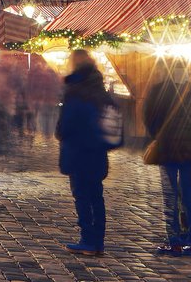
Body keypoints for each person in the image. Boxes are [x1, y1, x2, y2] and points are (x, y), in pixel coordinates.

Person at [143, 61, 191, 257]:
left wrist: (158, 134)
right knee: (189, 193)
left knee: (170, 192)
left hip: (169, 146)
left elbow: (149, 117)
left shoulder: (159, 91)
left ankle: (175, 241)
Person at [55, 49, 118, 257]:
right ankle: (98, 240)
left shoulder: (75, 91)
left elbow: (67, 124)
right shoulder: (101, 90)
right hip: (97, 152)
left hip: (78, 151)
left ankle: (87, 239)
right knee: (96, 196)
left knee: (82, 196)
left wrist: (61, 132)